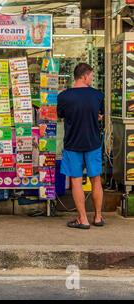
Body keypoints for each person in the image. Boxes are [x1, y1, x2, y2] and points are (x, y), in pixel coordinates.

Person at [58, 63, 104, 229]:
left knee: (76, 180)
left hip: (72, 143)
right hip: (93, 143)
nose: (91, 78)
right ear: (85, 76)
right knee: (96, 179)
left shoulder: (64, 96)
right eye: (91, 75)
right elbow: (99, 115)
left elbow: (62, 115)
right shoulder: (98, 95)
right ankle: (98, 217)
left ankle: (83, 219)